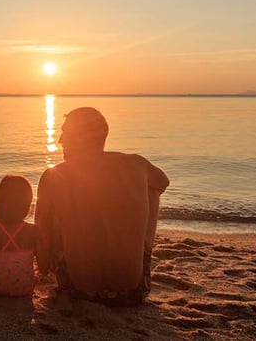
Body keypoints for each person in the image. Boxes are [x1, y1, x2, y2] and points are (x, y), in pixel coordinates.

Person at [34, 107, 170, 306]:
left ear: (80, 137)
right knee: (152, 190)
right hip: (133, 293)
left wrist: (45, 263)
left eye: (65, 133)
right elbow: (162, 182)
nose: (60, 140)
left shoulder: (54, 175)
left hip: (77, 291)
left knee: (53, 206)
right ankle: (143, 251)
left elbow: (40, 229)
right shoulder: (136, 163)